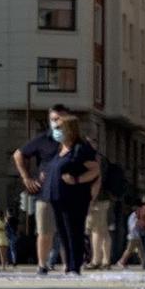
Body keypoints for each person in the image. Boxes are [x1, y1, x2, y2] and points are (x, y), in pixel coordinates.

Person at [40, 115, 101, 277]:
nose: (56, 131)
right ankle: (68, 265)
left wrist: (77, 179)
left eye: (59, 128)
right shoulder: (60, 149)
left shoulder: (80, 148)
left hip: (73, 197)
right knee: (63, 232)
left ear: (69, 130)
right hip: (56, 197)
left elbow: (95, 169)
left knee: (73, 230)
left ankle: (75, 265)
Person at [14, 104, 68, 274]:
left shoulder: (75, 140)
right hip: (46, 194)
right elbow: (18, 154)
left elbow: (92, 164)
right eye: (53, 119)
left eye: (60, 119)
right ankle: (42, 265)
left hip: (69, 194)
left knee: (67, 231)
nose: (57, 122)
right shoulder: (43, 139)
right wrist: (26, 178)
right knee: (45, 232)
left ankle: (69, 265)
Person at [116, 202, 145, 268]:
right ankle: (121, 262)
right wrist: (140, 222)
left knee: (140, 250)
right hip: (133, 236)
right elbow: (133, 226)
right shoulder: (133, 216)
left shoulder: (137, 216)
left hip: (137, 236)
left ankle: (143, 263)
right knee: (129, 250)